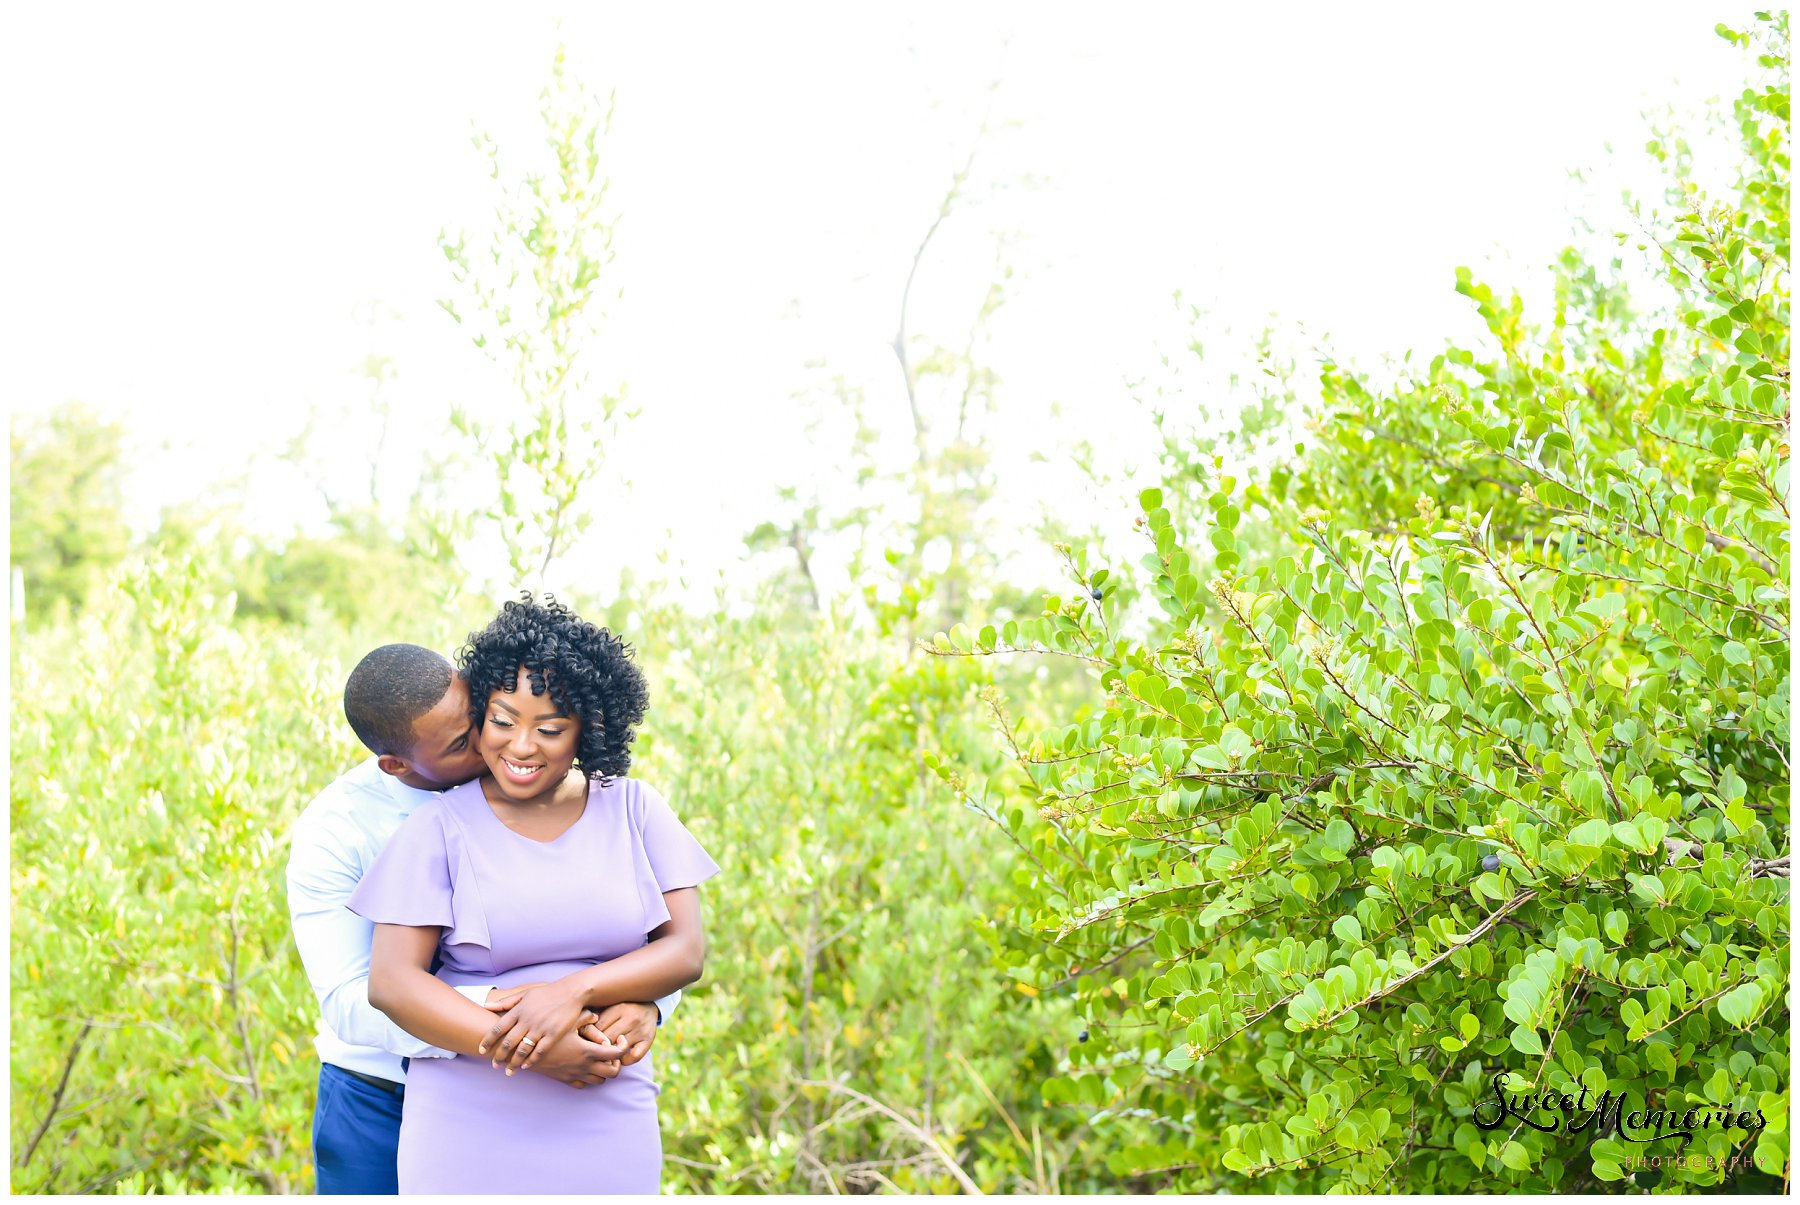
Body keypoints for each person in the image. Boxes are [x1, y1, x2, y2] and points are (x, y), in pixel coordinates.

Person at [351, 596, 719, 1195]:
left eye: (549, 729)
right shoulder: (437, 826)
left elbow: (684, 953)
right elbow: (392, 983)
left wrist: (571, 994)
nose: (521, 747)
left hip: (606, 1100)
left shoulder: (635, 808)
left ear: (587, 728)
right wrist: (534, 1049)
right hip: (466, 1117)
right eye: (501, 721)